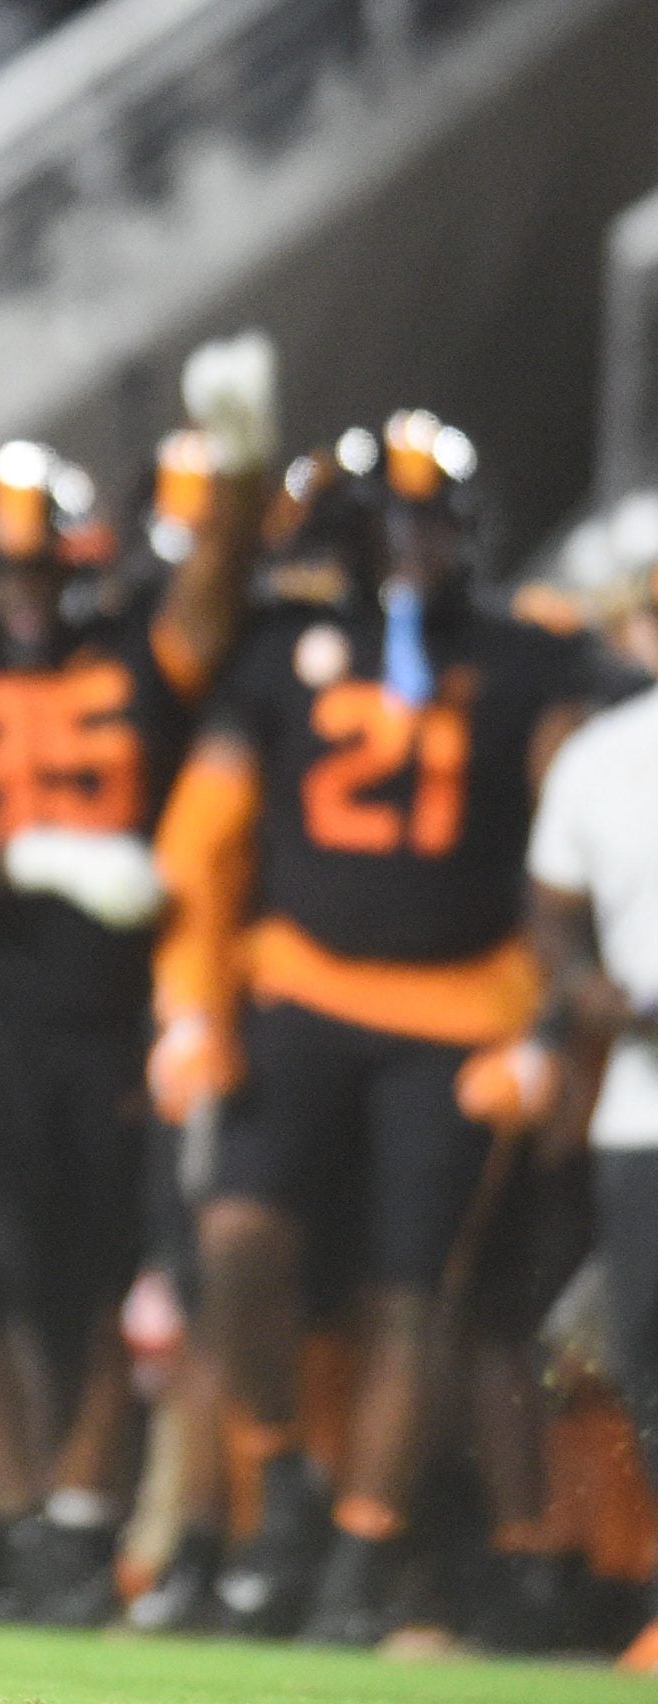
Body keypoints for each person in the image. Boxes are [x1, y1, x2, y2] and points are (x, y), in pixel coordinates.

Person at [153, 411, 595, 1643]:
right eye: (388, 524)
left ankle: (363, 1547)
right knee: (235, 1235)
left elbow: (574, 853)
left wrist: (546, 1029)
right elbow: (203, 836)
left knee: (417, 1290)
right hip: (298, 985)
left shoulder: (525, 657)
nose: (411, 545)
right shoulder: (276, 646)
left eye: (429, 521)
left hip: (459, 1009)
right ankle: (280, 1471)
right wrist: (188, 1000)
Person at [0, 338, 269, 1624]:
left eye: (42, 571)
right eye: (4, 573)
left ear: (85, 565)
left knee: (95, 1283)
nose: (22, 595)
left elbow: (215, 590)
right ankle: (30, 1527)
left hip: (102, 1010)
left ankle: (84, 1518)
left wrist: (241, 469)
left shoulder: (138, 651)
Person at [490, 549, 658, 1668]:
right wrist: (585, 989)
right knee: (643, 1351)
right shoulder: (602, 755)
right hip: (641, 1102)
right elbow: (549, 908)